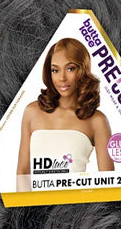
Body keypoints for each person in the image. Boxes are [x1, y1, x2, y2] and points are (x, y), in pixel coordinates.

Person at [17, 38, 114, 189]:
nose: (62, 78)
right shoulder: (32, 112)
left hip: (78, 204)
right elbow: (22, 173)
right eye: (55, 70)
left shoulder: (97, 121)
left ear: (83, 70)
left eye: (70, 69)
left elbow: (108, 183)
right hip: (37, 203)